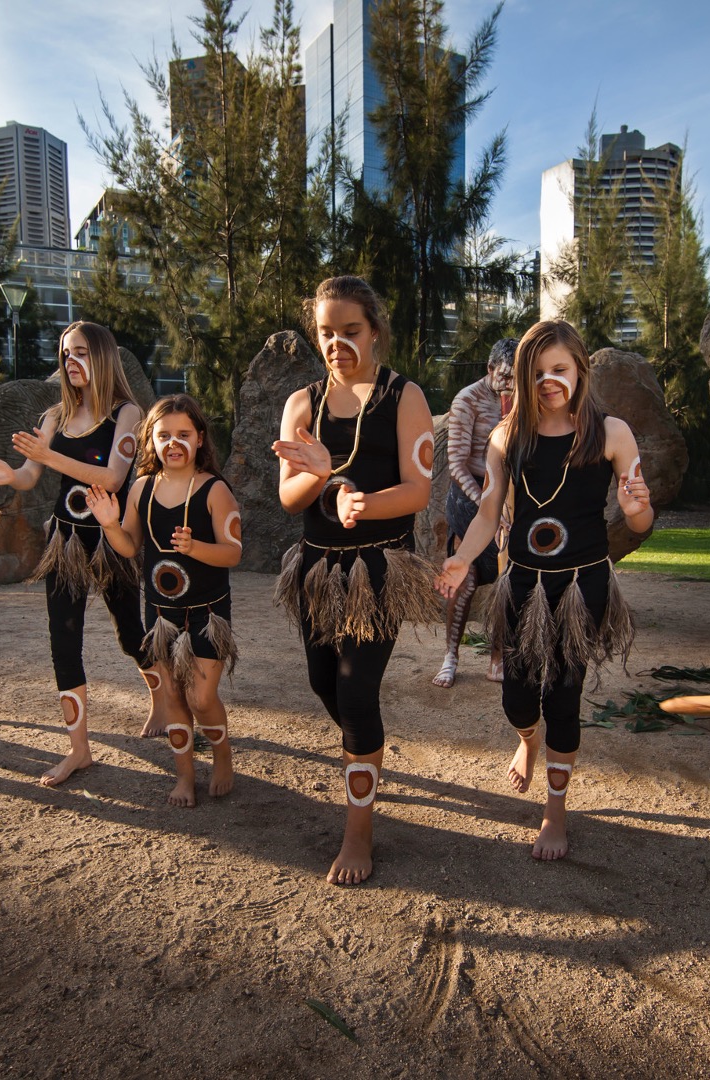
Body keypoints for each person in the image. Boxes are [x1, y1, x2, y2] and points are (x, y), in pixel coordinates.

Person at [436, 319, 651, 860]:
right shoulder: (508, 436)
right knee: (517, 699)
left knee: (564, 696)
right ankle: (526, 741)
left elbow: (640, 519)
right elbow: (489, 510)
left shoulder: (612, 433)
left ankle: (555, 813)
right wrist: (462, 559)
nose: (548, 381)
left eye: (560, 369)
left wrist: (636, 509)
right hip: (523, 585)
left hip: (584, 587)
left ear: (580, 369)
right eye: (536, 372)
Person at [271, 275, 437, 886]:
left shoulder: (403, 395)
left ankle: (358, 830)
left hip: (378, 570)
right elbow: (290, 500)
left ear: (374, 331)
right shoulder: (301, 404)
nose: (337, 342)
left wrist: (360, 504)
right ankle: (363, 756)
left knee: (356, 691)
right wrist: (318, 478)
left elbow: (418, 491)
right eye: (326, 332)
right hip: (318, 570)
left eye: (350, 331)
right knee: (325, 684)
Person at [0, 321, 145, 785]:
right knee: (63, 640)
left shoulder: (126, 414)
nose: (70, 360)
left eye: (81, 351)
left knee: (131, 634)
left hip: (110, 540)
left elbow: (109, 479)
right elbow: (30, 475)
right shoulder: (54, 417)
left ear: (102, 357)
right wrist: (10, 476)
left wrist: (48, 458)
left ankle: (163, 699)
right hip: (64, 543)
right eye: (65, 352)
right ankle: (79, 749)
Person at [86, 394, 242, 807]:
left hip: (207, 615)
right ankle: (185, 777)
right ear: (150, 441)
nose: (173, 443)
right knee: (172, 696)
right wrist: (108, 524)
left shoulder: (214, 490)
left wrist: (196, 549)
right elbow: (129, 546)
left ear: (200, 438)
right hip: (160, 615)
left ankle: (222, 755)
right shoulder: (142, 488)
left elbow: (233, 552)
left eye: (183, 434)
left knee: (201, 698)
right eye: (163, 435)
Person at [433, 338, 515, 688]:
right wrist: (487, 505)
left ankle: (498, 656)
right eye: (506, 375)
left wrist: (508, 504)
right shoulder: (468, 399)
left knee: (507, 579)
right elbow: (456, 464)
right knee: (464, 579)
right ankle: (450, 655)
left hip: (510, 499)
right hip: (470, 498)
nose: (511, 382)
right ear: (490, 369)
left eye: (517, 375)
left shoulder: (524, 399)